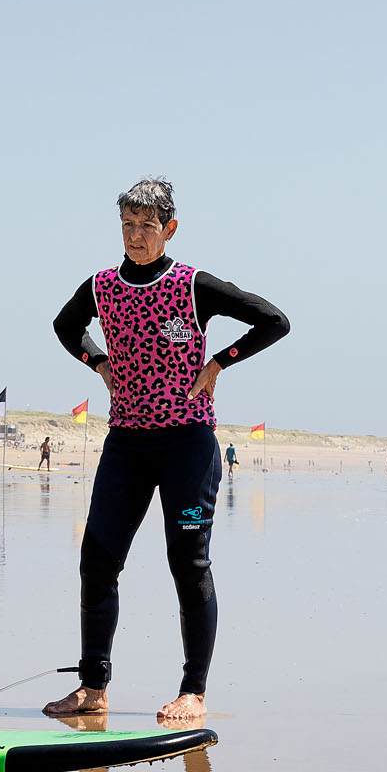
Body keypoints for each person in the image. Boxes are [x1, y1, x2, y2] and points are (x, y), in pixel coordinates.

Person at [47, 177, 289, 721]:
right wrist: (97, 362)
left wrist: (220, 361)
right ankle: (92, 687)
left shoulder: (193, 285)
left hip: (187, 443)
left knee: (188, 562)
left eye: (146, 226)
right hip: (126, 443)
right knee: (97, 560)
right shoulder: (102, 286)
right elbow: (65, 326)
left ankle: (193, 692)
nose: (135, 235)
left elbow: (275, 321)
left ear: (169, 229)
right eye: (127, 225)